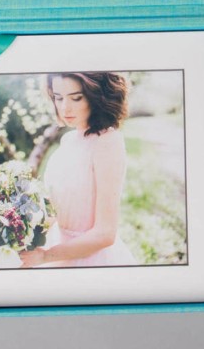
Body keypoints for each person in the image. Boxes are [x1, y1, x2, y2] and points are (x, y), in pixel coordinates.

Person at [19, 72, 137, 268]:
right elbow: (57, 207)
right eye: (58, 97)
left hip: (90, 257)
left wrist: (47, 256)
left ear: (96, 96)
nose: (65, 107)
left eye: (76, 98)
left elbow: (105, 233)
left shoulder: (107, 142)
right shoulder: (69, 139)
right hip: (57, 243)